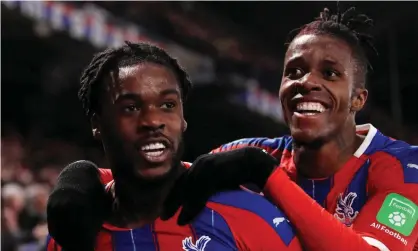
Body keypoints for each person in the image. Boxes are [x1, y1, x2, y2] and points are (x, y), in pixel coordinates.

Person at [48, 7, 418, 251]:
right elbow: (156, 167)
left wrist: (269, 178)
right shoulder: (251, 153)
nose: (307, 82)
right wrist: (82, 177)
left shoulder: (403, 168)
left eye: (331, 73)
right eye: (294, 71)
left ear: (358, 99)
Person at [46, 41, 303, 251]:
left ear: (182, 119)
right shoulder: (72, 230)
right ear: (97, 124)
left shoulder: (249, 216)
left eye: (168, 105)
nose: (153, 121)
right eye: (131, 108)